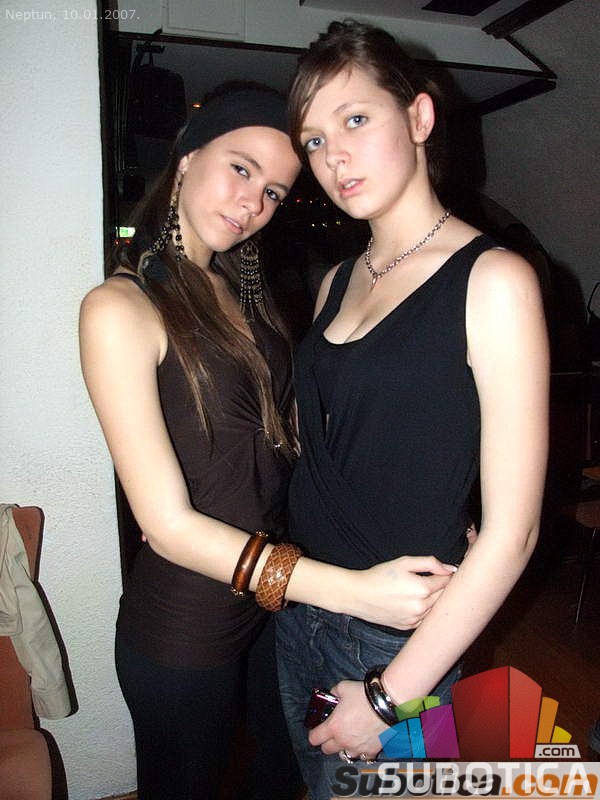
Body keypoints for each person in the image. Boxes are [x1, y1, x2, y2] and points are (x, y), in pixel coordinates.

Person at [79, 83, 457, 800]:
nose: (253, 202)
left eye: (275, 191)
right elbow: (168, 527)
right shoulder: (119, 308)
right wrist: (352, 590)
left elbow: (299, 443)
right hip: (186, 626)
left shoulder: (240, 295)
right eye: (241, 168)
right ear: (186, 158)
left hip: (274, 613)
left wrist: (431, 495)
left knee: (279, 775)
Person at [275, 21, 549, 799]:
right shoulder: (336, 281)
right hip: (303, 608)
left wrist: (389, 696)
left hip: (396, 644)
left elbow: (515, 532)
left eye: (356, 119)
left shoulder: (493, 280)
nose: (334, 156)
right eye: (315, 140)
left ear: (420, 117)